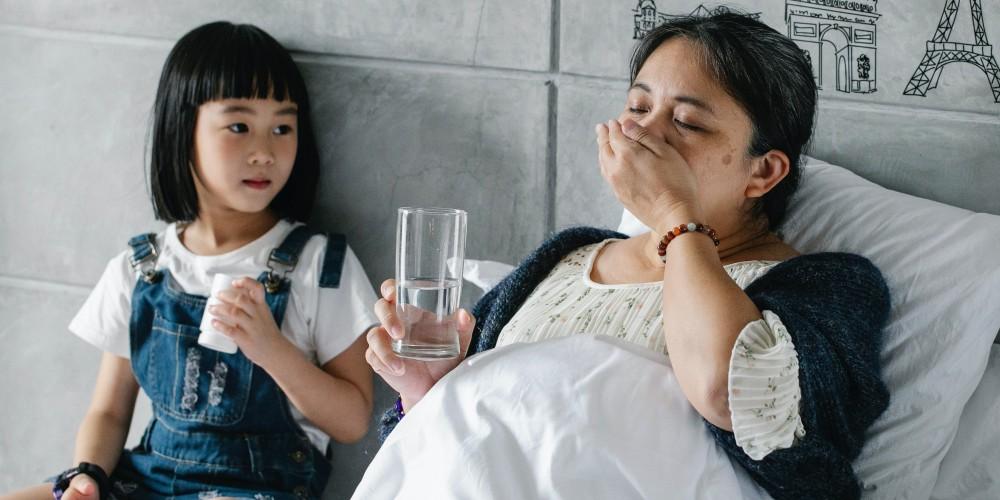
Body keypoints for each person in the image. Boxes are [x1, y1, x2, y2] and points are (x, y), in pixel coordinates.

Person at [364, 13, 890, 500]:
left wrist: (672, 214)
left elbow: (732, 394)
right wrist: (429, 394)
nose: (641, 131)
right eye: (638, 108)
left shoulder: (829, 288)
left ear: (763, 172)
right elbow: (449, 454)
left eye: (688, 122)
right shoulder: (564, 258)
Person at [5, 21, 378, 500]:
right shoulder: (140, 268)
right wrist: (88, 475)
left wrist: (269, 346)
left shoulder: (319, 264)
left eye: (282, 127)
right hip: (148, 481)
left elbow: (352, 419)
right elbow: (109, 412)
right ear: (184, 131)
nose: (265, 152)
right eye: (239, 126)